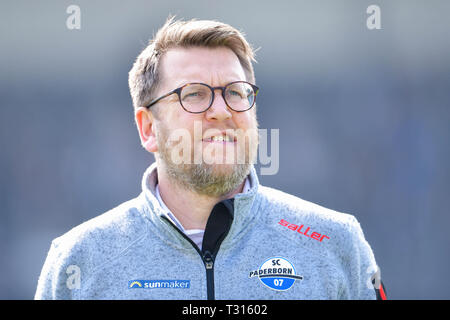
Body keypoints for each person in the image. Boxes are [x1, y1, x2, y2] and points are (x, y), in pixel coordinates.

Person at [35, 16, 386, 300]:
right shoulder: (78, 260)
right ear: (147, 128)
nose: (221, 110)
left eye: (236, 92)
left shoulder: (336, 243)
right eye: (195, 94)